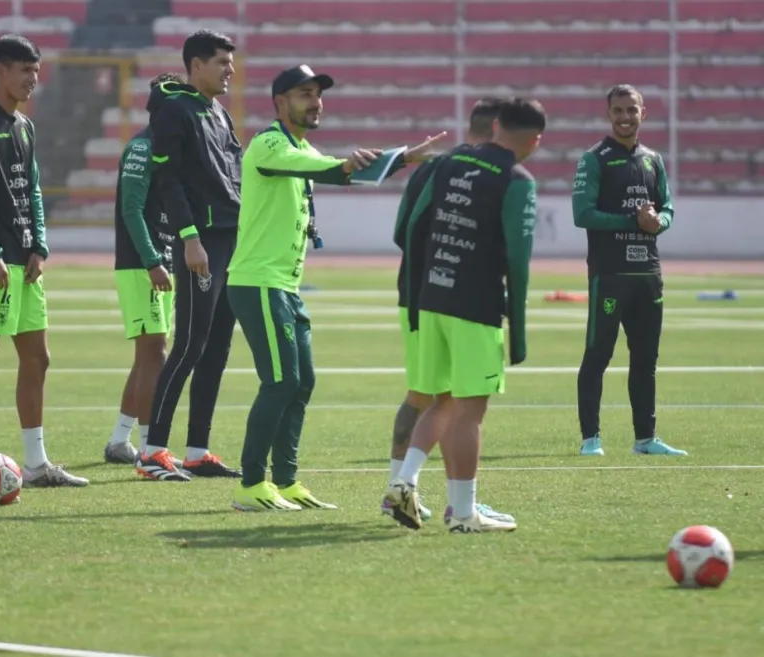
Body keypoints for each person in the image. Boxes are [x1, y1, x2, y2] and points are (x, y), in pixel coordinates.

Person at [227, 65, 445, 511]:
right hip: (258, 282)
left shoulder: (301, 147)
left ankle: (285, 481)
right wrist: (348, 163)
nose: (316, 102)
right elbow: (333, 170)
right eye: (304, 94)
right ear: (280, 102)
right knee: (280, 382)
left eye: (318, 94)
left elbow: (346, 173)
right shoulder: (269, 143)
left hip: (284, 286)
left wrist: (404, 157)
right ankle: (250, 485)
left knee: (301, 383)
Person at [385, 98, 547, 532]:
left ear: (495, 126)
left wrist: (420, 285)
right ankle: (463, 513)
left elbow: (410, 227)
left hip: (429, 296)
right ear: (535, 141)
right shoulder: (517, 180)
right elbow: (518, 261)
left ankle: (403, 482)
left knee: (442, 400)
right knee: (470, 412)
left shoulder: (448, 163)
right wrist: (519, 333)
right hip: (475, 304)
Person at [0, 35, 88, 488]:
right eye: (26, 70)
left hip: (24, 261)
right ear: (1, 71)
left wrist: (40, 246)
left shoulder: (25, 126)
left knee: (38, 358)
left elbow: (33, 190)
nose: (34, 79)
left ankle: (36, 463)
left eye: (36, 70)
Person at [135, 30, 244, 481]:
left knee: (216, 349)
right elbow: (169, 181)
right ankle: (151, 452)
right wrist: (189, 237)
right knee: (189, 347)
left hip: (231, 241)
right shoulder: (175, 110)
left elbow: (234, 175)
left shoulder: (218, 111)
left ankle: (197, 451)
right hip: (201, 243)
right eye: (221, 62)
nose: (230, 70)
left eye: (231, 62)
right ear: (196, 65)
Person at [573, 85, 685, 457]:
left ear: (643, 113)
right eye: (618, 110)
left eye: (631, 110)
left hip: (648, 274)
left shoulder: (653, 160)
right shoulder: (594, 159)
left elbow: (667, 207)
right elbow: (582, 214)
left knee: (646, 359)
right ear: (608, 114)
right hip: (610, 273)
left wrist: (658, 222)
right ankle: (591, 439)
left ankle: (645, 439)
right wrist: (632, 221)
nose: (625, 117)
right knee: (598, 356)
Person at [104, 71, 186, 465]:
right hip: (142, 262)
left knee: (148, 354)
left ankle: (120, 440)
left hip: (160, 258)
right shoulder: (142, 147)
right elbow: (132, 209)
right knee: (155, 351)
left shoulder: (168, 146)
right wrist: (152, 260)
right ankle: (152, 448)